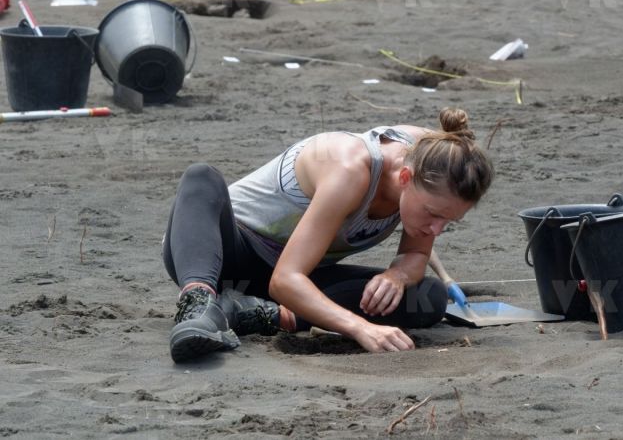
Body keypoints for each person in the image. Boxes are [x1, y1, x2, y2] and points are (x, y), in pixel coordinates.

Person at [162, 107, 493, 362]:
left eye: (449, 221)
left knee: (426, 296)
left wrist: (397, 276)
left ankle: (257, 314)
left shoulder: (436, 160)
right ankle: (198, 306)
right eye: (433, 214)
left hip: (295, 277)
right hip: (218, 255)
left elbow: (416, 255)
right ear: (404, 178)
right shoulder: (351, 170)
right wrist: (359, 327)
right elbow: (285, 281)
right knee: (201, 177)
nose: (436, 229)